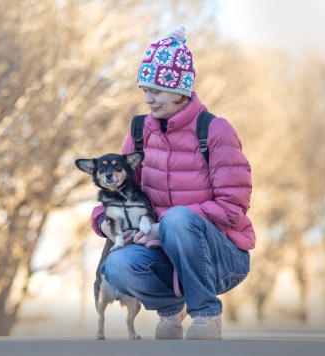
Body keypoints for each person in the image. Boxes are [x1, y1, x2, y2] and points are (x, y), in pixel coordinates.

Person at [91, 24, 255, 340]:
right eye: (144, 91)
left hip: (221, 258)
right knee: (117, 265)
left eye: (156, 90)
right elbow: (121, 190)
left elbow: (232, 206)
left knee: (179, 218)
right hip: (163, 252)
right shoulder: (140, 132)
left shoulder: (216, 131)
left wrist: (159, 225)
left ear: (180, 89)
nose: (148, 99)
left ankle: (206, 314)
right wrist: (103, 221)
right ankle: (170, 309)